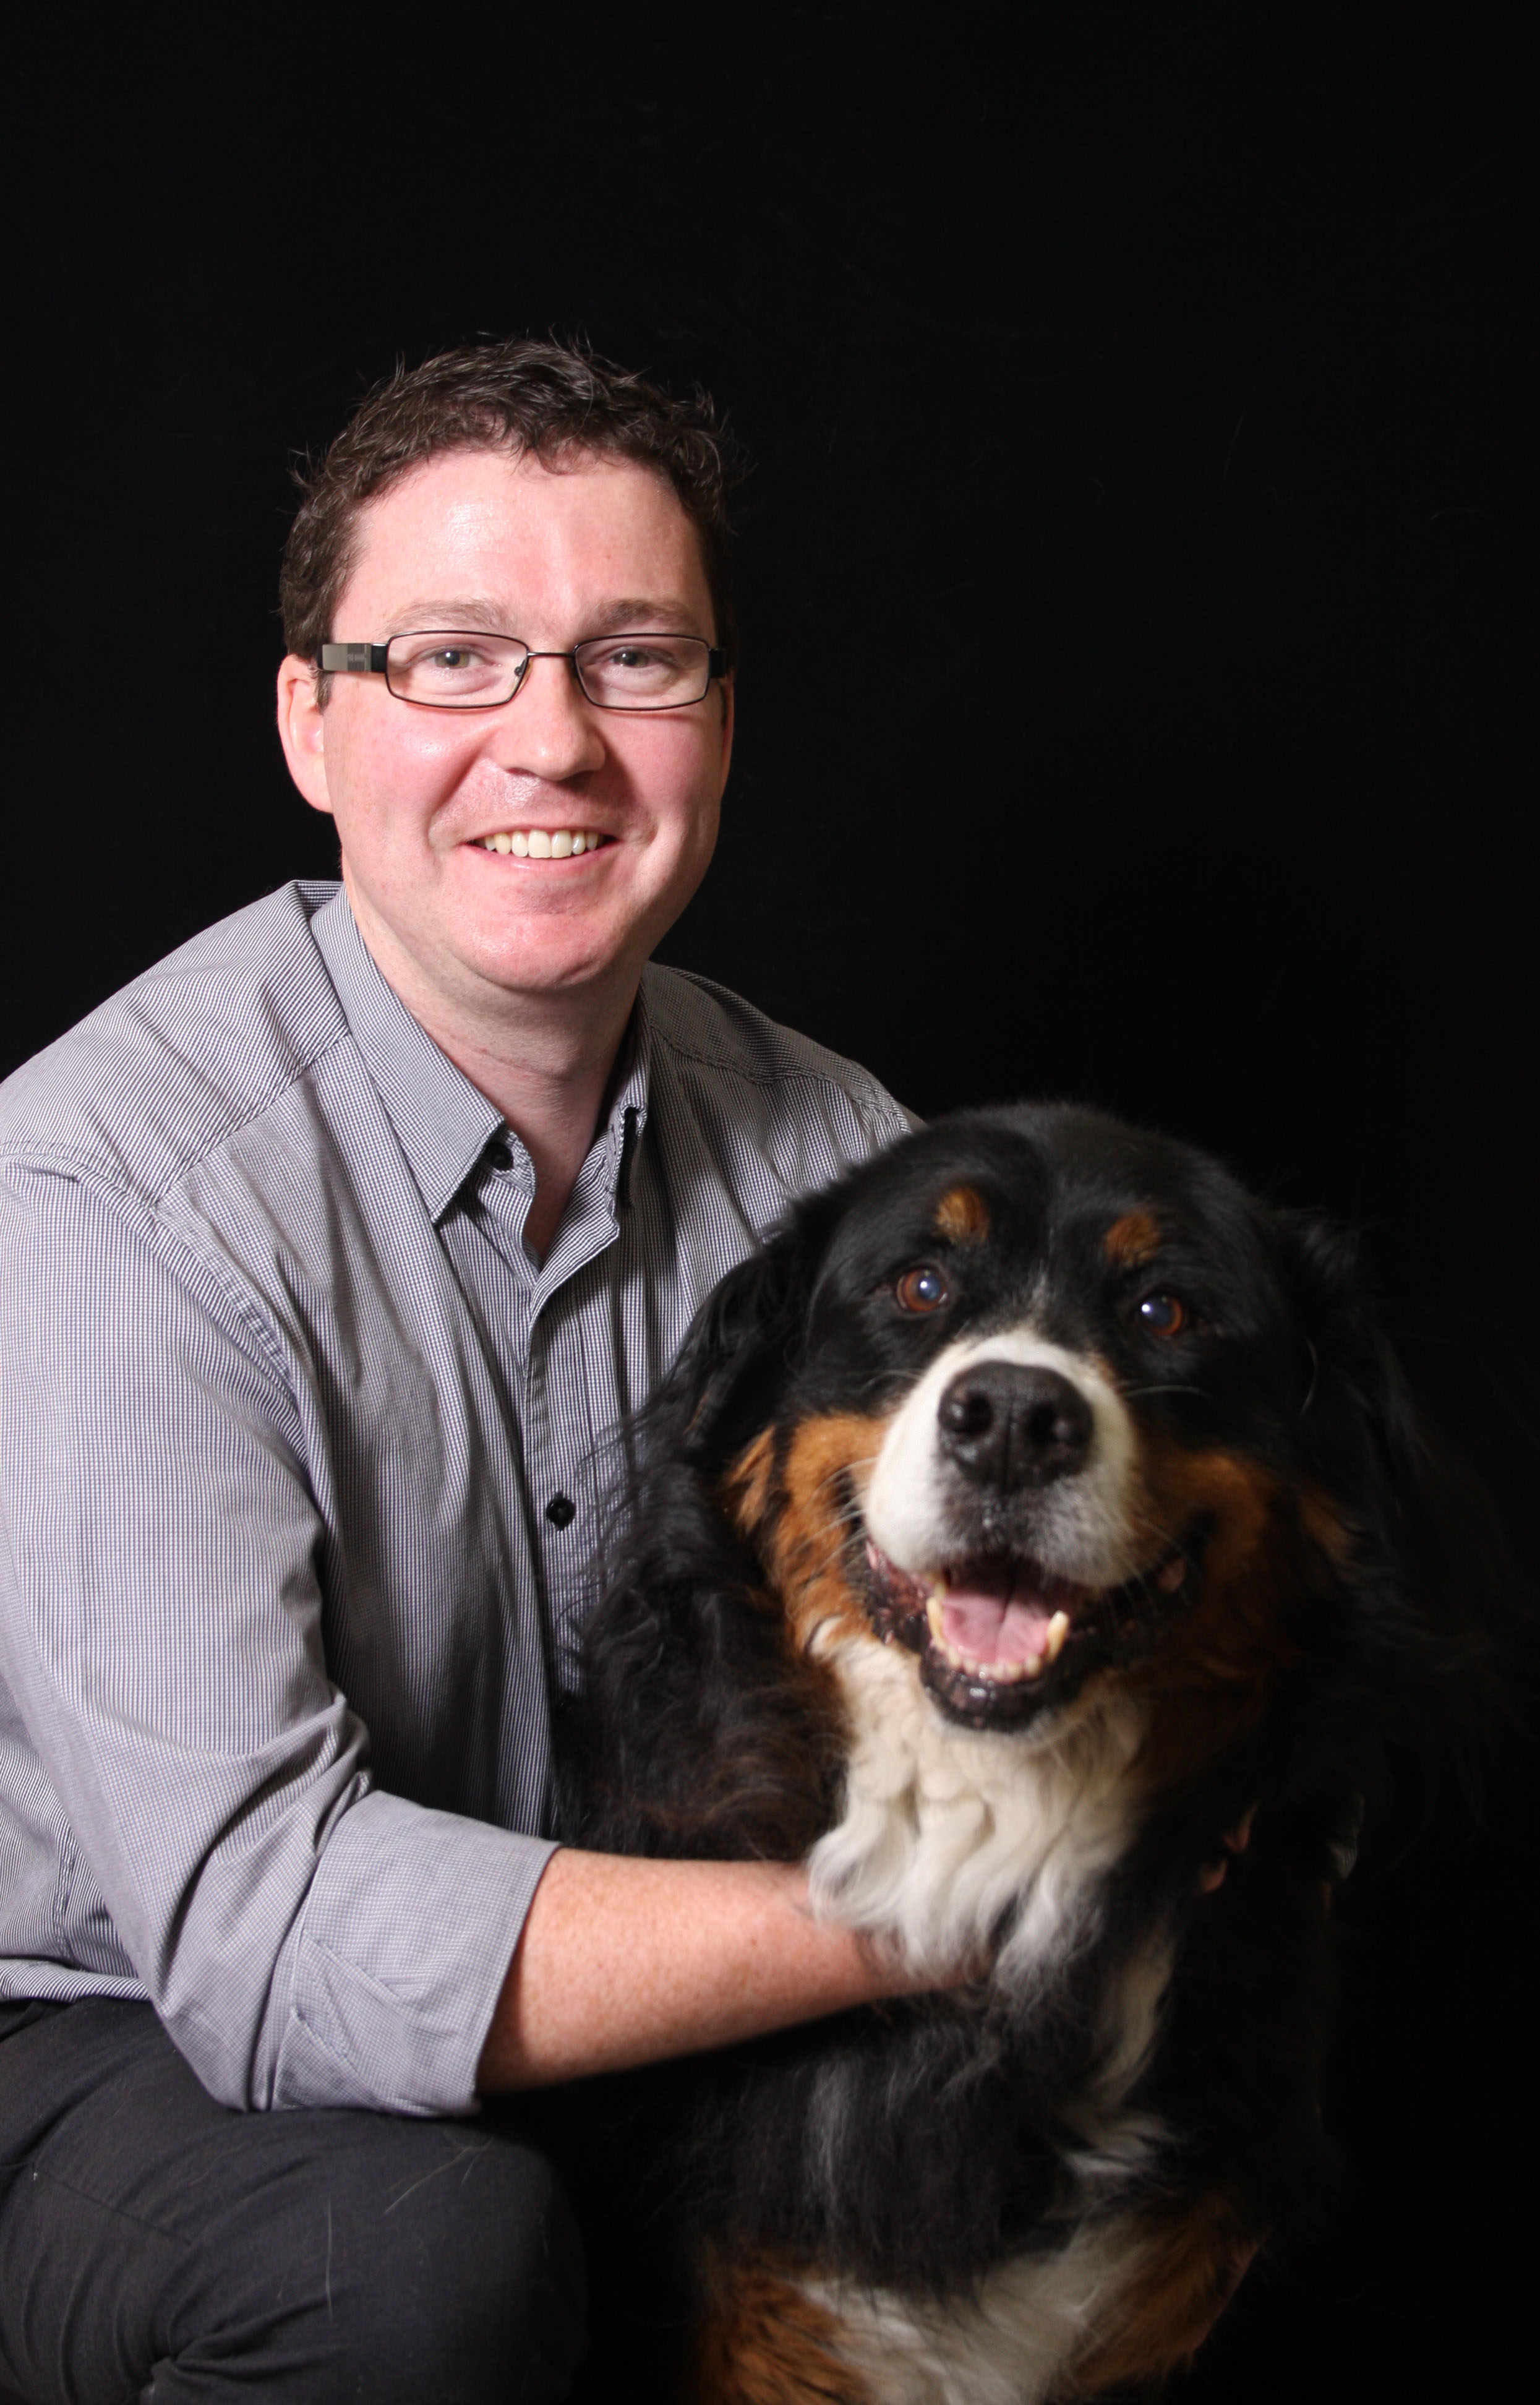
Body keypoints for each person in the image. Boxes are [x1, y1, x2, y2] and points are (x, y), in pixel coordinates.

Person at [0, 340, 937, 2403]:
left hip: (640, 1986)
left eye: (634, 659)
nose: (557, 743)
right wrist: (939, 1913)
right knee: (410, 2256)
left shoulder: (840, 1156)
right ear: (310, 726)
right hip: (93, 2033)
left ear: (714, 721)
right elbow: (258, 1939)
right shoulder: (108, 1187)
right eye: (453, 660)